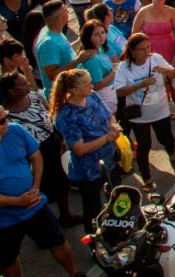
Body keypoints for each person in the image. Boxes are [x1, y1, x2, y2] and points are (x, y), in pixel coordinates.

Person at [0, 101, 82, 276]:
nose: (7, 121)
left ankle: (75, 274)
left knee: (58, 242)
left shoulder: (15, 130)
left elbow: (35, 155)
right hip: (2, 220)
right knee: (8, 260)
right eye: (1, 120)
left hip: (35, 205)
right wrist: (17, 201)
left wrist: (35, 186)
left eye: (6, 116)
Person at [48, 69, 120, 229]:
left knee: (118, 199)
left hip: (110, 160)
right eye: (87, 84)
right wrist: (107, 137)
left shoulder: (92, 96)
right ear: (74, 90)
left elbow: (109, 116)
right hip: (89, 170)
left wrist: (114, 126)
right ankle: (94, 238)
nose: (92, 86)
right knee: (93, 209)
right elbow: (79, 149)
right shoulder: (66, 116)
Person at [114, 34, 175, 191]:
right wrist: (140, 85)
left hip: (160, 110)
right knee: (144, 146)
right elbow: (119, 91)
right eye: (142, 49)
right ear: (132, 52)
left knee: (166, 137)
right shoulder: (124, 67)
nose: (146, 52)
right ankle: (146, 178)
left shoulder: (156, 58)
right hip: (139, 115)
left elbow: (173, 73)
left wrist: (164, 70)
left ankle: (172, 153)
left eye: (148, 47)